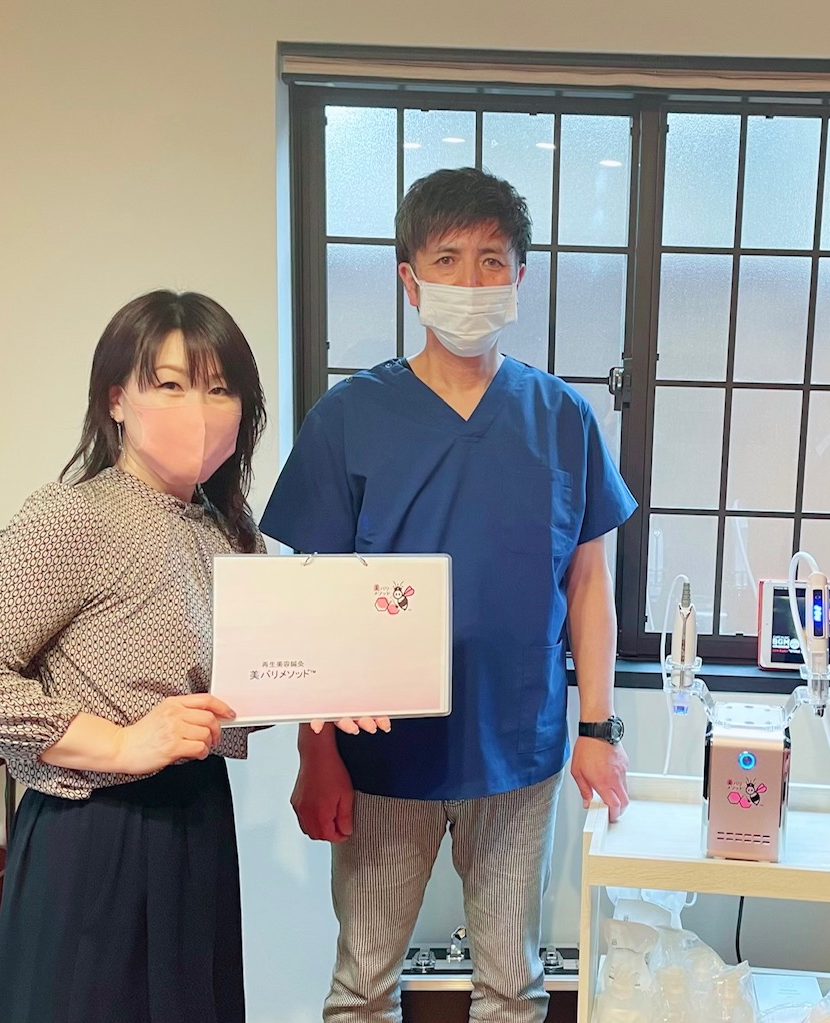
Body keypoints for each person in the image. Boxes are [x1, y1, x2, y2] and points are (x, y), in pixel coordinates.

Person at [260, 167, 637, 1023]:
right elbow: (314, 603)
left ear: (520, 278)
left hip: (518, 751)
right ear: (410, 279)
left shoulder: (562, 418)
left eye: (492, 260)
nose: (471, 281)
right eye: (447, 259)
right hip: (383, 755)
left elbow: (588, 585)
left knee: (512, 986)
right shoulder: (350, 416)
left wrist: (598, 730)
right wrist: (317, 754)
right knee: (363, 985)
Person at [0, 291, 267, 1023]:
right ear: (117, 399)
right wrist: (118, 743)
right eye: (170, 384)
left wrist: (331, 695)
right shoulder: (74, 516)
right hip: (95, 830)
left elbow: (244, 686)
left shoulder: (231, 535)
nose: (199, 409)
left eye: (219, 388)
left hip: (198, 817)